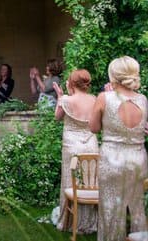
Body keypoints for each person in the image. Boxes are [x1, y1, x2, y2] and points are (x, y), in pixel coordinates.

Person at [89, 56, 148, 241]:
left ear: (113, 76)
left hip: (112, 159)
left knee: (111, 208)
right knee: (137, 207)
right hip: (138, 159)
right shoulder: (143, 99)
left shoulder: (104, 98)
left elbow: (94, 127)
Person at [53, 69, 98, 233]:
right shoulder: (94, 99)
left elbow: (57, 117)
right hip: (91, 143)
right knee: (89, 181)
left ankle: (71, 220)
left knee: (70, 180)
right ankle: (89, 221)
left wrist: (60, 96)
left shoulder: (66, 100)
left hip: (72, 145)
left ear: (71, 83)